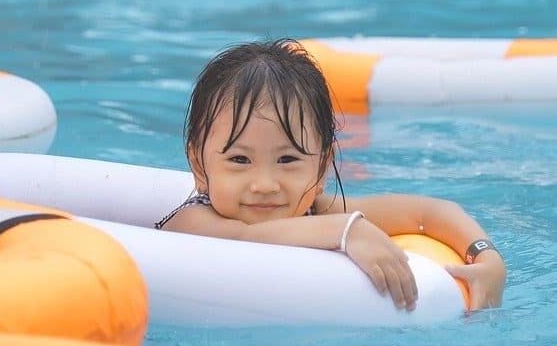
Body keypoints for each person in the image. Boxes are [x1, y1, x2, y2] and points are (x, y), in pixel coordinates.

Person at [156, 38, 506, 312]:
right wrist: (345, 230)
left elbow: (427, 213)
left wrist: (486, 257)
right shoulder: (191, 222)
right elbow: (244, 238)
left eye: (288, 159)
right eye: (239, 159)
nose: (264, 185)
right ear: (199, 164)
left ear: (323, 165)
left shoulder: (316, 209)